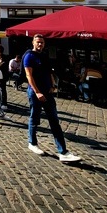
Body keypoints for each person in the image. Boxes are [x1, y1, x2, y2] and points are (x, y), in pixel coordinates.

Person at [23, 34, 81, 163]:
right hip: (35, 93)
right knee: (34, 118)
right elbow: (29, 75)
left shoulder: (44, 56)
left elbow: (49, 72)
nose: (40, 44)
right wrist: (37, 92)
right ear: (33, 43)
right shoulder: (29, 56)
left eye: (42, 42)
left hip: (47, 92)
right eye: (38, 42)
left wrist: (52, 84)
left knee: (54, 120)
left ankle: (63, 152)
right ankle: (32, 143)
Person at [0, 44, 9, 110]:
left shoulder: (5, 57)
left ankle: (4, 103)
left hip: (3, 76)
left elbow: (4, 66)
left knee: (2, 89)